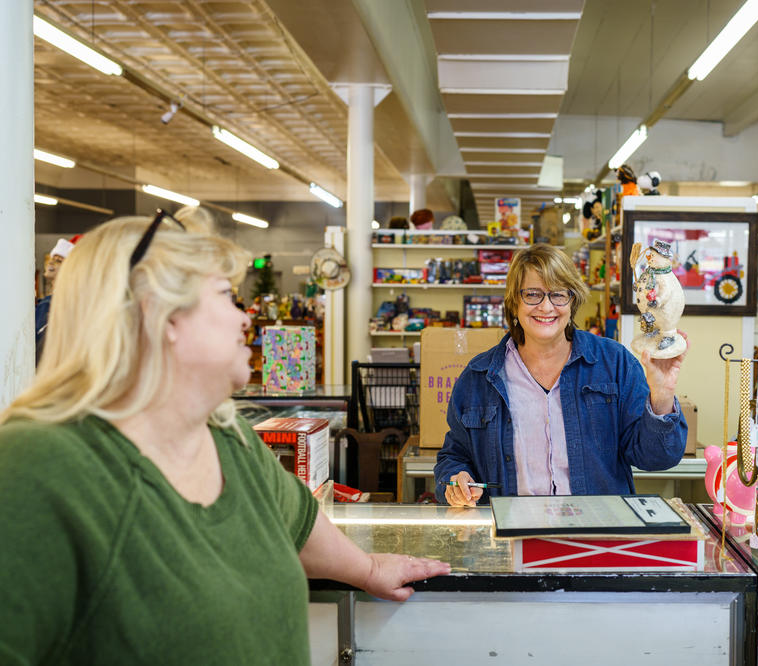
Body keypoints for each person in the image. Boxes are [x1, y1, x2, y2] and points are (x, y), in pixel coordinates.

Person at [0, 211, 449, 663]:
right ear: (161, 313)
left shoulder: (226, 437)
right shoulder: (38, 466)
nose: (243, 319)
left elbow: (296, 523)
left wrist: (368, 568)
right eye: (224, 296)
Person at [434, 243, 687, 507]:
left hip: (595, 537)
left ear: (572, 300)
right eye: (533, 294)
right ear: (514, 303)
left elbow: (658, 457)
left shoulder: (614, 362)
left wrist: (662, 394)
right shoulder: (478, 377)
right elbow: (454, 456)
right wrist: (456, 479)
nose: (546, 307)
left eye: (558, 294)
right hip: (512, 538)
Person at [35, 236, 78, 363]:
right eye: (52, 258)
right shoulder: (48, 302)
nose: (51, 263)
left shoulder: (53, 304)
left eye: (59, 260)